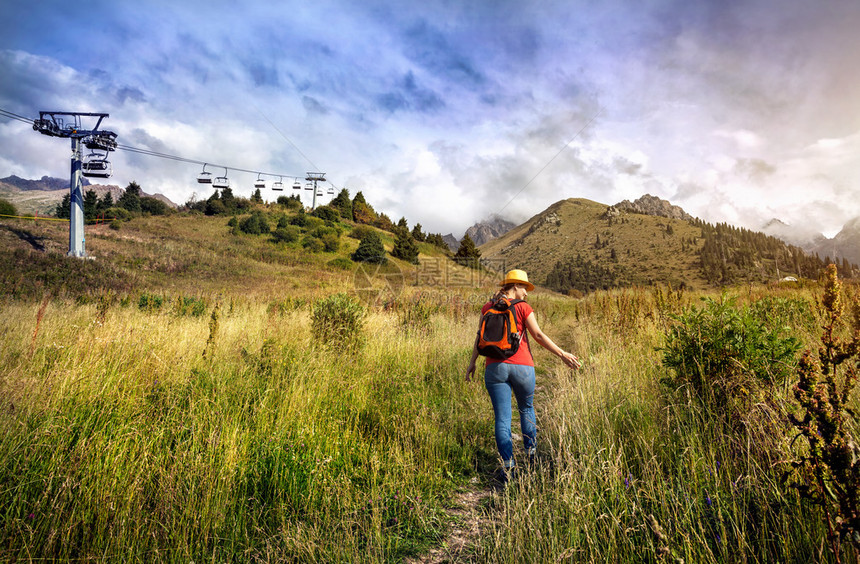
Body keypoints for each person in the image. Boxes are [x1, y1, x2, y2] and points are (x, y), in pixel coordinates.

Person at [466, 269, 581, 480]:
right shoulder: (523, 307)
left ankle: (508, 467)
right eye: (525, 288)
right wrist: (562, 354)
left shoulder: (487, 307)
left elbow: (478, 337)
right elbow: (537, 334)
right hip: (523, 367)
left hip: (494, 368)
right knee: (526, 408)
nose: (527, 293)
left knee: (502, 417)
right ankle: (531, 456)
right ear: (515, 287)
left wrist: (472, 362)